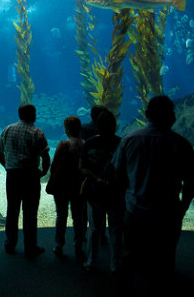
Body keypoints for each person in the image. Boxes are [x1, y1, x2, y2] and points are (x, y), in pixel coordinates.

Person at [112, 96, 194, 297]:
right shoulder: (180, 143)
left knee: (129, 256)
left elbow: (117, 175)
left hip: (135, 211)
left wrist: (125, 201)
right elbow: (190, 182)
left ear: (147, 114)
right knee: (164, 259)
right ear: (171, 115)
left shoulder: (129, 139)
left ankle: (122, 291)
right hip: (168, 213)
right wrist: (183, 208)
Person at [0, 103, 50, 258]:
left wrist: (7, 165)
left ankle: (10, 243)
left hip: (12, 175)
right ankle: (30, 247)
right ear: (33, 115)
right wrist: (44, 171)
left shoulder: (8, 129)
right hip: (31, 176)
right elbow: (45, 156)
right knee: (30, 212)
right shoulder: (37, 132)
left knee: (12, 210)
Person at [79, 108, 122, 273]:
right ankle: (115, 265)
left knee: (94, 229)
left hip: (95, 192)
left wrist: (94, 178)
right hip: (115, 193)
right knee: (115, 230)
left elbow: (81, 166)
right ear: (114, 125)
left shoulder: (90, 142)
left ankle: (91, 262)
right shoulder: (121, 142)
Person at [45, 116, 86, 260]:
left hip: (62, 185)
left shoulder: (64, 144)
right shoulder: (85, 144)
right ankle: (79, 245)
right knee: (78, 217)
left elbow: (54, 164)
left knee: (61, 215)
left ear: (67, 129)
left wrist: (51, 180)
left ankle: (59, 245)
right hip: (78, 185)